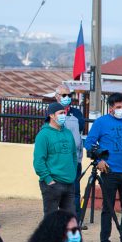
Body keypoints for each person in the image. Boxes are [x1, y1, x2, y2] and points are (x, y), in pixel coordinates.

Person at [84, 93, 122, 242]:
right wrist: (99, 160)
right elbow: (89, 143)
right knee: (107, 209)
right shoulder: (101, 122)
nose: (121, 109)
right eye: (118, 107)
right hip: (109, 172)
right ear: (111, 108)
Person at [33, 102, 78, 215]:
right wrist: (48, 179)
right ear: (52, 115)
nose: (64, 115)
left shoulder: (68, 133)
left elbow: (73, 155)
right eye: (61, 113)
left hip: (69, 183)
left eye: (64, 112)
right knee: (51, 221)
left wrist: (72, 174)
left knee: (69, 221)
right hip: (52, 184)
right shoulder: (43, 135)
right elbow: (38, 161)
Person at [53, 85, 86, 217]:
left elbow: (80, 129)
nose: (67, 98)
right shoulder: (51, 113)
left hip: (75, 161)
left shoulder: (77, 113)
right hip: (58, 161)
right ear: (57, 96)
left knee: (75, 191)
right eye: (64, 95)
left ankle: (75, 219)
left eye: (69, 95)